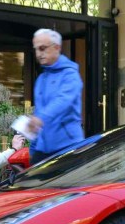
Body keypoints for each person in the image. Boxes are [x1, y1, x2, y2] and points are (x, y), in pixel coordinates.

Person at [27, 29, 84, 165]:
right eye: (36, 49)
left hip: (68, 146)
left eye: (42, 48)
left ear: (57, 47)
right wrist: (33, 149)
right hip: (43, 149)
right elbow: (38, 113)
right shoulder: (41, 79)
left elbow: (63, 101)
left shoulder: (70, 75)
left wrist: (40, 118)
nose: (38, 54)